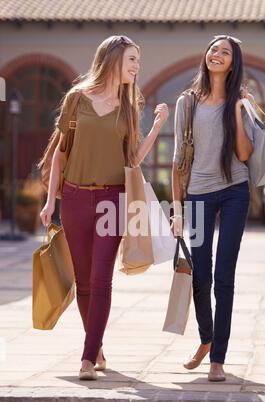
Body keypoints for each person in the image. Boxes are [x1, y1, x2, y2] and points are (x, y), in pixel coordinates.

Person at [40, 35, 169, 380]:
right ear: (112, 59)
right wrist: (51, 200)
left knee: (101, 280)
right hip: (75, 199)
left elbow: (133, 161)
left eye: (138, 61)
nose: (137, 67)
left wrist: (156, 128)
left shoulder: (129, 107)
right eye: (132, 60)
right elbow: (61, 153)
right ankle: (95, 345)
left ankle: (86, 358)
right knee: (82, 282)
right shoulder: (76, 100)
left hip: (112, 201)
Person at [172, 35, 254, 382]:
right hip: (198, 194)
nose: (216, 54)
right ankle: (206, 339)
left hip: (235, 190)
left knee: (224, 279)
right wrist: (177, 209)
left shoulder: (240, 101)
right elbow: (177, 161)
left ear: (233, 63)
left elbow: (245, 154)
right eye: (213, 49)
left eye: (225, 52)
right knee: (200, 278)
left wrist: (236, 110)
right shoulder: (186, 103)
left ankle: (217, 358)